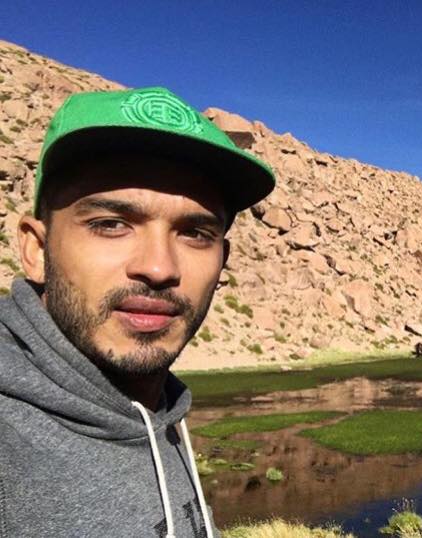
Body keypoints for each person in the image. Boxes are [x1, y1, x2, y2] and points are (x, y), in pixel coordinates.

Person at [0, 87, 275, 538]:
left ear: (222, 261)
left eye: (195, 233)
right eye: (111, 224)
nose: (159, 268)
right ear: (36, 249)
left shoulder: (161, 410)